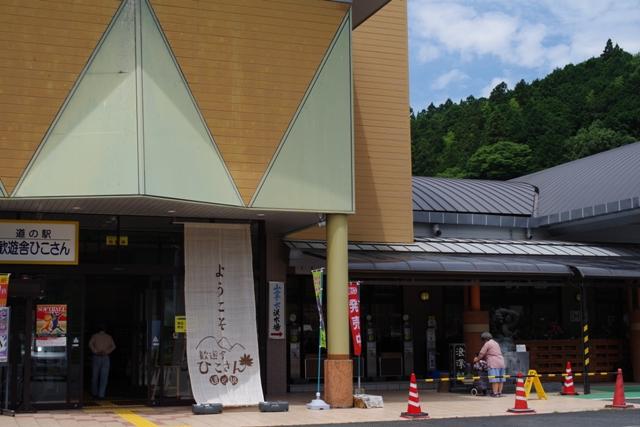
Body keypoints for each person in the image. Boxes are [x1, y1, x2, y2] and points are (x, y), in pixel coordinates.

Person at [473, 331, 505, 397]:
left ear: (484, 339)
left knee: (494, 378)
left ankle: (495, 393)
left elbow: (481, 353)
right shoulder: (496, 343)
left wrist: (476, 359)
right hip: (501, 361)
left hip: (493, 362)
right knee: (500, 378)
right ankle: (499, 393)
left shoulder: (487, 343)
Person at [89, 325, 116, 399]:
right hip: (105, 357)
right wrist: (107, 352)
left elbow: (90, 344)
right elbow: (113, 346)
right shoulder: (109, 337)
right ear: (105, 330)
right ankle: (101, 394)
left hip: (96, 356)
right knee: (104, 377)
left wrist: (95, 351)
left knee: (95, 376)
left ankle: (94, 393)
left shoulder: (95, 336)